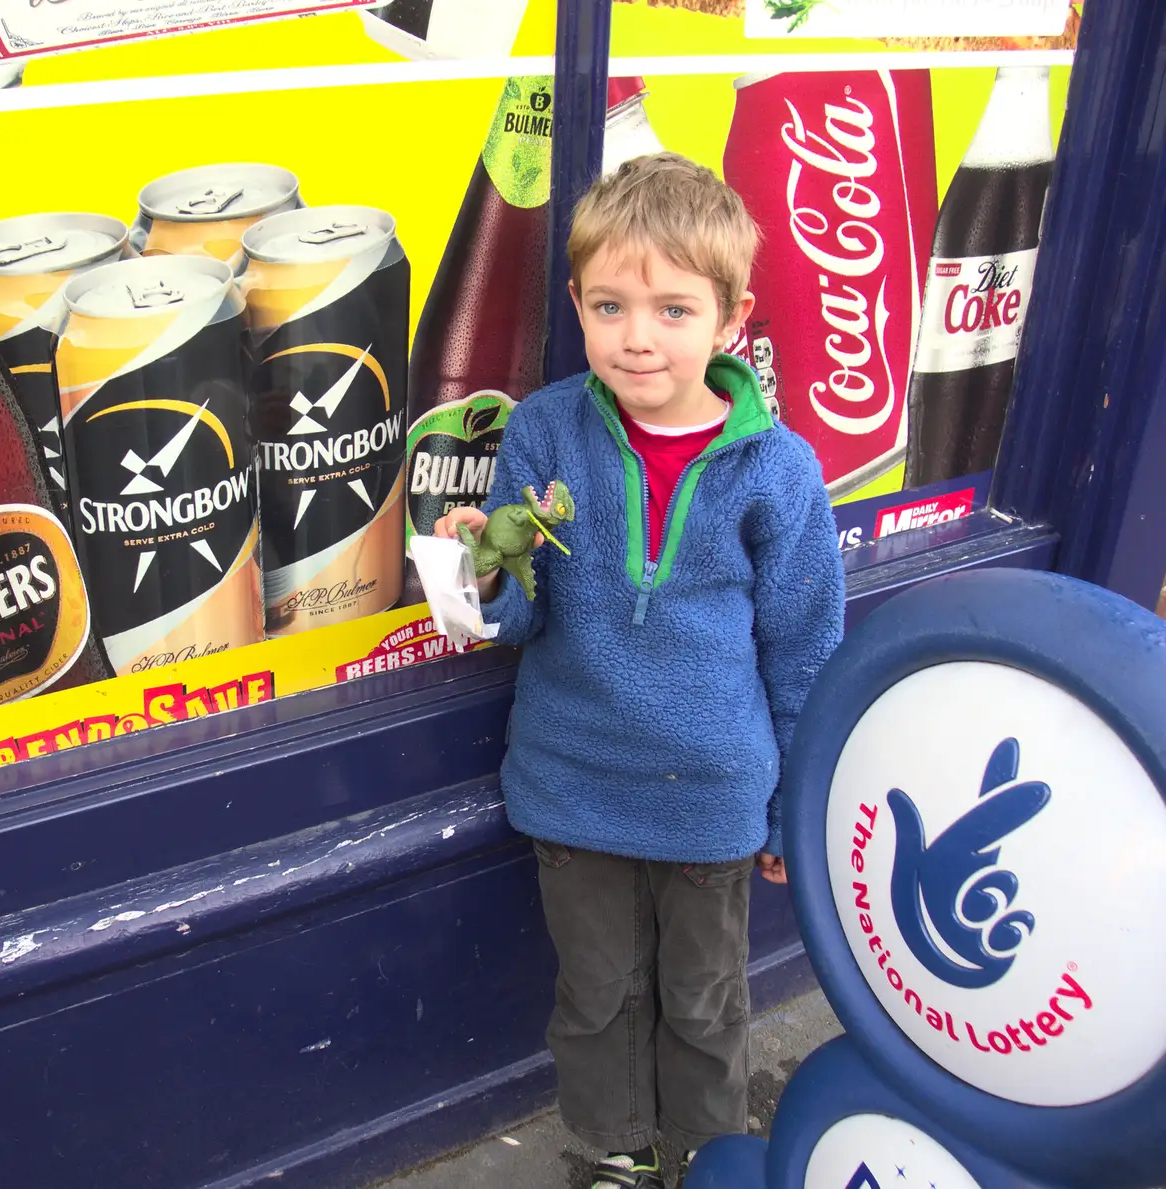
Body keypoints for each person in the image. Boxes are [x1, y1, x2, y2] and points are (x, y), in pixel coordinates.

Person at [434, 152, 845, 1188]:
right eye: (610, 305)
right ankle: (614, 1150)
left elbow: (804, 643)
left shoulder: (777, 468)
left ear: (731, 318)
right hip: (574, 783)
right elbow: (519, 614)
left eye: (671, 309)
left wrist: (797, 796)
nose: (636, 335)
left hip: (712, 793)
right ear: (575, 301)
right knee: (598, 993)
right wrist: (480, 566)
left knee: (706, 998)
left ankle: (708, 1156)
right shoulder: (545, 430)